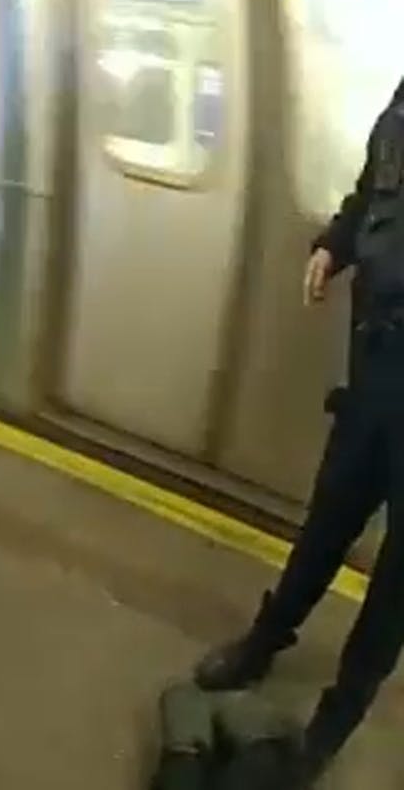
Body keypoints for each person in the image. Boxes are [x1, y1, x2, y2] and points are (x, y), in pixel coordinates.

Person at [192, 76, 404, 787]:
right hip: (376, 367)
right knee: (326, 522)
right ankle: (263, 642)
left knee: (397, 584)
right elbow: (375, 190)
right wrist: (334, 243)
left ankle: (330, 728)